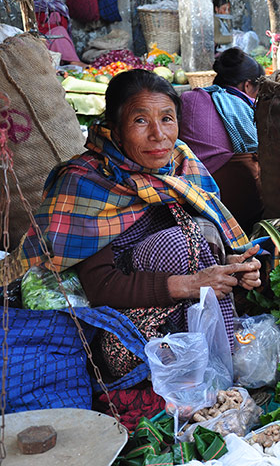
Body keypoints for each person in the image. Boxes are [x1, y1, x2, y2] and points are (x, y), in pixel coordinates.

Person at [19, 69, 262, 382]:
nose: (158, 135)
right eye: (140, 120)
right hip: (123, 329)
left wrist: (231, 268)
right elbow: (100, 285)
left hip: (186, 305)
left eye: (167, 118)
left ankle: (219, 363)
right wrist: (192, 284)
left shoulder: (181, 163)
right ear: (116, 130)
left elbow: (209, 238)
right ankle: (215, 367)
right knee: (178, 243)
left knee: (203, 230)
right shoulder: (85, 182)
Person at [179, 48, 265, 232]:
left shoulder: (188, 97)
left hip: (184, 194)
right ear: (247, 85)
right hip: (228, 199)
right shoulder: (244, 107)